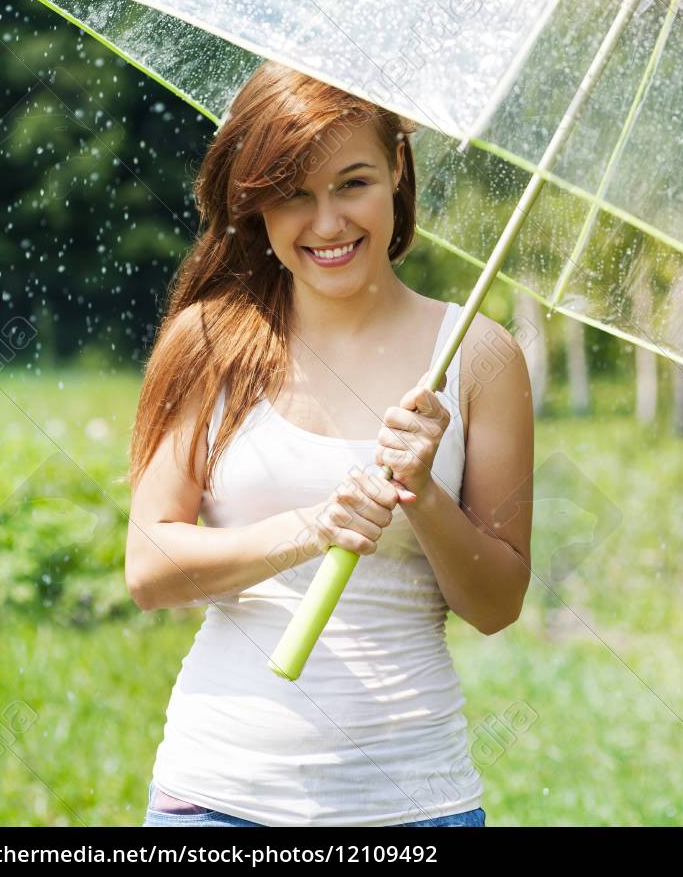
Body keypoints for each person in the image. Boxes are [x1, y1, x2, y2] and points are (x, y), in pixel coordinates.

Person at [125, 60, 535, 827]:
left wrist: (425, 493)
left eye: (353, 183)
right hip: (220, 795)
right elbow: (150, 568)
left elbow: (497, 603)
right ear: (256, 204)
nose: (327, 224)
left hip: (413, 801)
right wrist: (311, 528)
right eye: (292, 195)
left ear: (397, 170)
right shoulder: (209, 340)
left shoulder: (479, 355)